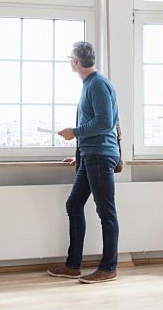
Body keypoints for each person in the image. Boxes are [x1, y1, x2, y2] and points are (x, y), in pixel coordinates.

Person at [46, 41, 120, 284]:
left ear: (75, 62)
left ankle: (108, 267)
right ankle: (73, 265)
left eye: (71, 59)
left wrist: (74, 132)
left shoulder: (97, 85)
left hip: (99, 156)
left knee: (106, 212)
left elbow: (104, 122)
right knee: (73, 204)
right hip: (90, 156)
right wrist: (79, 154)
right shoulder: (91, 84)